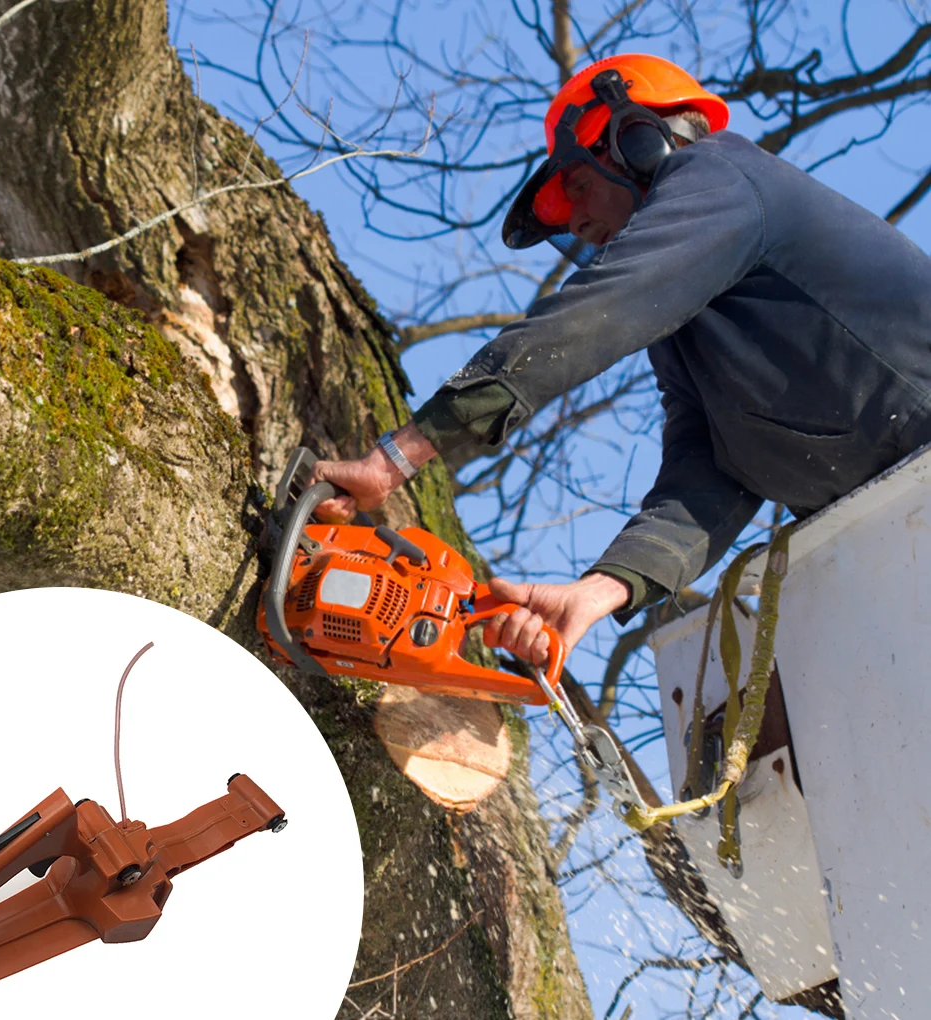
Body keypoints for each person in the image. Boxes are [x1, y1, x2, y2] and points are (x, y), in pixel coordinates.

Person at [308, 53, 931, 671]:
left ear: (638, 143)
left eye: (576, 186)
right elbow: (710, 476)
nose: (578, 221)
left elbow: (595, 313)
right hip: (895, 527)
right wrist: (599, 590)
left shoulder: (722, 175)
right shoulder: (686, 332)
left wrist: (394, 458)